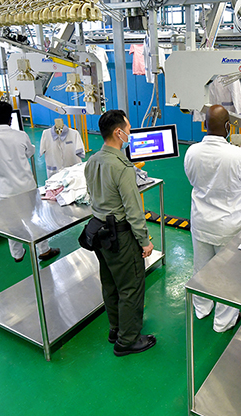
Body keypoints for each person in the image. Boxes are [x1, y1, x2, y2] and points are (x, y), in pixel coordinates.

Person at [85, 109, 156, 357]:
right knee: (131, 286)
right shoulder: (123, 167)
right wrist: (145, 241)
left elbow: (92, 194)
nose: (130, 132)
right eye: (128, 128)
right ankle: (127, 340)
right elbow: (134, 210)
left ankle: (116, 328)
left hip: (99, 232)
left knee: (111, 283)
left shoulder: (93, 161)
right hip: (121, 235)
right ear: (118, 132)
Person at [184, 104, 241, 333]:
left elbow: (192, 180)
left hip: (200, 222)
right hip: (229, 227)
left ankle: (202, 308)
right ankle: (223, 321)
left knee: (201, 268)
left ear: (205, 125)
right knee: (228, 275)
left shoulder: (192, 152)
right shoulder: (239, 156)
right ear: (228, 127)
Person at [0, 101, 60, 263]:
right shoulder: (21, 135)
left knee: (10, 222)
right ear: (10, 119)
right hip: (26, 186)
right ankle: (44, 250)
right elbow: (29, 152)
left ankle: (17, 253)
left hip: (5, 190)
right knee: (35, 217)